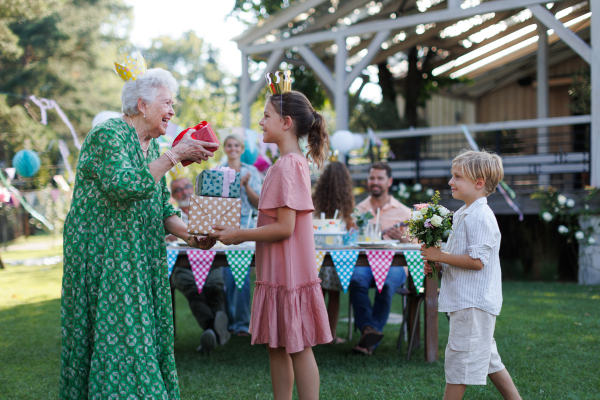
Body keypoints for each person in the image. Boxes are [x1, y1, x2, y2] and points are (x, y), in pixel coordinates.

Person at [60, 66, 218, 399]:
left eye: (173, 104)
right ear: (142, 105)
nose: (172, 111)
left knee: (141, 337)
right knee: (121, 339)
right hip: (106, 257)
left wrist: (192, 236)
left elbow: (163, 209)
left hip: (139, 258)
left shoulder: (148, 149)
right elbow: (124, 186)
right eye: (166, 103)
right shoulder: (109, 134)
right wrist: (174, 155)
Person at [210, 88, 332, 400]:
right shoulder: (287, 164)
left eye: (266, 116)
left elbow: (285, 227)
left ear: (287, 122)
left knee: (298, 347)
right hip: (278, 272)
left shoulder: (288, 165)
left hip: (288, 273)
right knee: (277, 345)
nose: (261, 122)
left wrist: (238, 235)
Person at [421, 150, 521, 400]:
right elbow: (460, 256)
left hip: (473, 303)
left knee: (458, 364)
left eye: (457, 177)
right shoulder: (463, 214)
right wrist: (438, 263)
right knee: (488, 359)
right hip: (466, 301)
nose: (450, 182)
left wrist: (440, 256)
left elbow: (477, 262)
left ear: (478, 183)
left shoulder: (480, 217)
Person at [350, 162, 412, 355]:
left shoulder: (404, 212)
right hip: (364, 263)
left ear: (389, 181)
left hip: (395, 264)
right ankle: (370, 331)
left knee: (384, 284)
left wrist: (402, 238)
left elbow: (418, 244)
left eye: (379, 178)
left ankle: (368, 337)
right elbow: (349, 239)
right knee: (356, 280)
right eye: (371, 178)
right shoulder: (358, 210)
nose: (374, 182)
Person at [166, 175, 230, 354]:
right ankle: (214, 330)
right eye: (178, 190)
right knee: (194, 290)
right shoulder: (170, 215)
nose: (184, 192)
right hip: (182, 265)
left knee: (216, 286)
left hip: (210, 262)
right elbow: (161, 238)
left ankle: (211, 333)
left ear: (192, 189)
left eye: (186, 187)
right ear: (174, 195)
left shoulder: (207, 211)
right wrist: (168, 235)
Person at [221, 134, 263, 336]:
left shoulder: (252, 172)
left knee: (242, 275)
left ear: (242, 148)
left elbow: (259, 204)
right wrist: (236, 185)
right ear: (225, 148)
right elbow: (217, 201)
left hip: (247, 226)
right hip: (223, 226)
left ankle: (241, 324)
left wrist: (246, 185)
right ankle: (230, 322)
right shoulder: (218, 171)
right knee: (228, 276)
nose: (233, 148)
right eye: (229, 145)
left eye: (236, 145)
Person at [312, 161, 355, 344]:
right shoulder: (347, 202)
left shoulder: (315, 199)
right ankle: (331, 334)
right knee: (334, 295)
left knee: (317, 292)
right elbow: (350, 228)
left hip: (316, 251)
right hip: (337, 253)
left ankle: (314, 334)